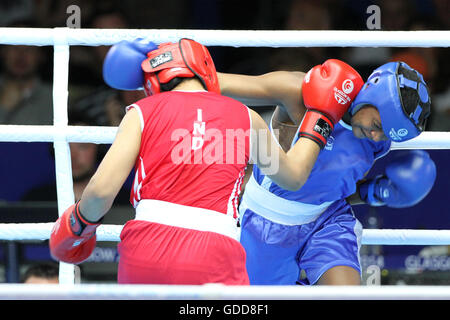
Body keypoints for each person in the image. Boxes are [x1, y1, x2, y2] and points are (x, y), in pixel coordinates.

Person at [48, 38, 363, 285]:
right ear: (207, 70)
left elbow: (101, 192)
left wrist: (79, 225)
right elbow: (293, 176)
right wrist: (320, 118)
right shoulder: (245, 118)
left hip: (146, 246)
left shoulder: (142, 113)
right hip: (215, 251)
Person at [217, 60, 437, 285]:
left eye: (388, 135)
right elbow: (218, 83)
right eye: (378, 125)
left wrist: (373, 193)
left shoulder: (377, 142)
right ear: (371, 94)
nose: (376, 136)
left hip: (327, 219)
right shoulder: (300, 96)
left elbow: (333, 187)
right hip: (266, 221)